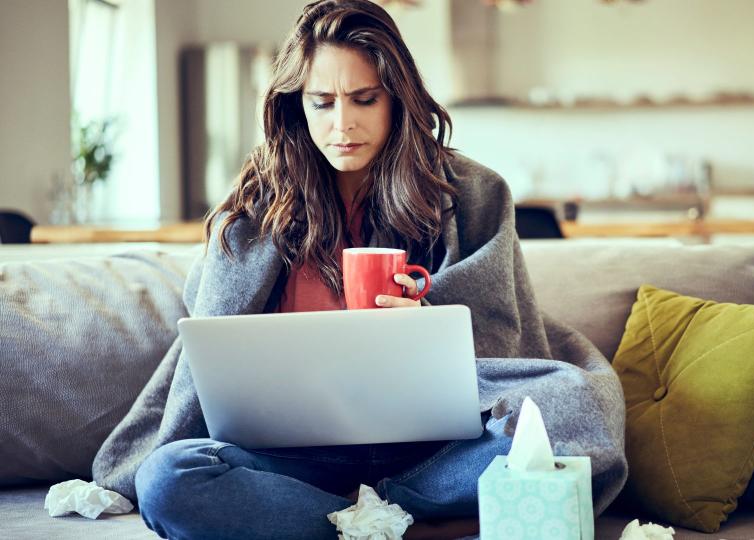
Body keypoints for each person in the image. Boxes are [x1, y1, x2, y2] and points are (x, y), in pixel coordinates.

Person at [92, 1, 627, 539]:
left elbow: (502, 339)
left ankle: (373, 515)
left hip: (436, 456)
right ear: (294, 106)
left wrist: (429, 321)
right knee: (169, 478)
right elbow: (209, 343)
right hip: (298, 462)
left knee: (575, 416)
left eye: (364, 99)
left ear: (398, 98)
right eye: (322, 103)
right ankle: (394, 526)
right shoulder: (255, 210)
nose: (342, 125)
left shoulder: (472, 193)